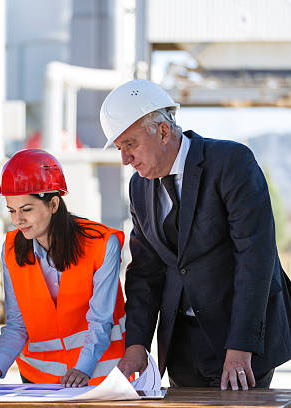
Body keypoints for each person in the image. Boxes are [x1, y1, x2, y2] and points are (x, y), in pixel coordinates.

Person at [100, 79, 291, 390]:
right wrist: (136, 345)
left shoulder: (231, 163)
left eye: (130, 144)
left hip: (240, 341)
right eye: (120, 148)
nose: (125, 159)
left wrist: (241, 346)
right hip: (181, 344)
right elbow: (145, 271)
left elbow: (256, 259)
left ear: (162, 131)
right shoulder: (138, 187)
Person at [0, 149, 127, 387]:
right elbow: (16, 324)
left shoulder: (102, 244)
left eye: (27, 209)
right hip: (38, 381)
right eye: (12, 210)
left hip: (98, 376)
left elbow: (101, 321)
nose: (17, 220)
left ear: (53, 204)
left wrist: (82, 369)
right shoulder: (12, 249)